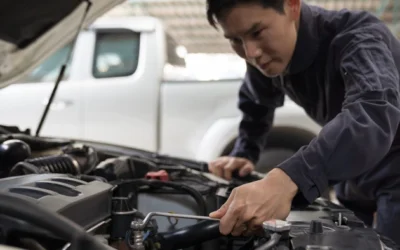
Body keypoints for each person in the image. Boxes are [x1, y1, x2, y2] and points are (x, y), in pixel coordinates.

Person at [206, 0, 400, 244]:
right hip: (352, 169)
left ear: (292, 6)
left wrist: (288, 179)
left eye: (256, 32)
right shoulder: (263, 54)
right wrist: (246, 151)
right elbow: (256, 99)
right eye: (235, 40)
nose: (250, 53)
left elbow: (373, 112)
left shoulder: (359, 38)